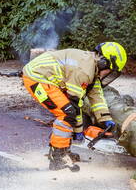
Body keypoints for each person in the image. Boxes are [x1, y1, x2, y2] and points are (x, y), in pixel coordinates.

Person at [21, 42, 127, 170]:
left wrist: (105, 119)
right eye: (109, 70)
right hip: (36, 78)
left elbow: (97, 97)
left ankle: (63, 150)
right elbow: (75, 103)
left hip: (49, 80)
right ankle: (58, 157)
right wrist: (78, 131)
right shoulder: (84, 71)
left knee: (69, 113)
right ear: (103, 62)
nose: (108, 74)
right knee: (67, 113)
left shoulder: (92, 68)